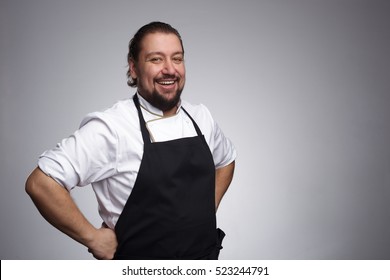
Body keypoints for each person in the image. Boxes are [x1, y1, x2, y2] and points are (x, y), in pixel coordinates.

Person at [26, 21, 236, 260]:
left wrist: (208, 210)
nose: (170, 69)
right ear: (134, 68)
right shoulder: (114, 127)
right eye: (156, 59)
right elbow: (41, 183)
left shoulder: (201, 117)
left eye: (177, 58)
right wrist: (93, 238)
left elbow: (227, 160)